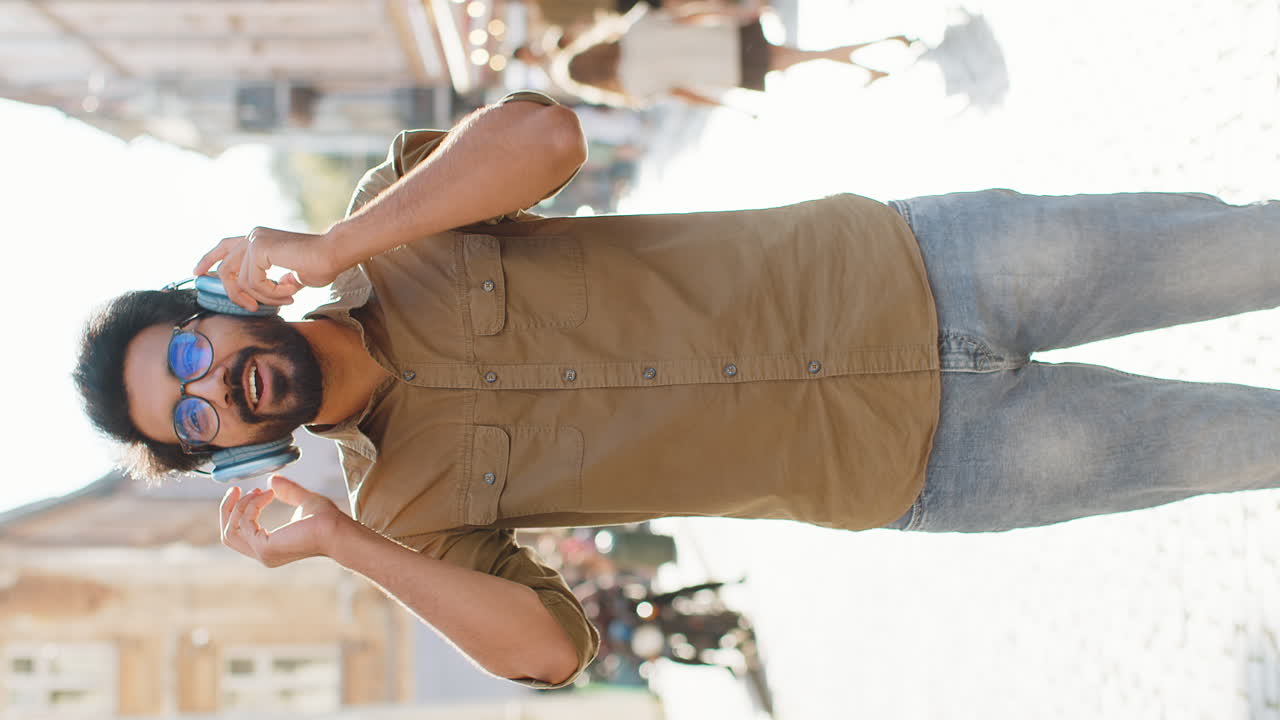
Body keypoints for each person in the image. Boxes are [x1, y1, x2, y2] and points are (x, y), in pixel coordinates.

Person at [74, 91, 1280, 689]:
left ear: (214, 301)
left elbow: (545, 137)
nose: (214, 387)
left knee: (1255, 247)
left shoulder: (392, 231)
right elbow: (551, 656)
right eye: (192, 420)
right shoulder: (402, 519)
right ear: (225, 454)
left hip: (908, 268)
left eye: (187, 354)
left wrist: (339, 250)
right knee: (1251, 446)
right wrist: (341, 542)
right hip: (917, 461)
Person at [514, 3, 911, 109]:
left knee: (805, 56)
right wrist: (734, 13)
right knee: (803, 55)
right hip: (729, 39)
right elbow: (689, 14)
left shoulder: (635, 87)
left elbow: (686, 94)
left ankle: (880, 50)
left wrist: (723, 106)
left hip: (728, 69)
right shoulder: (634, 27)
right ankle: (875, 56)